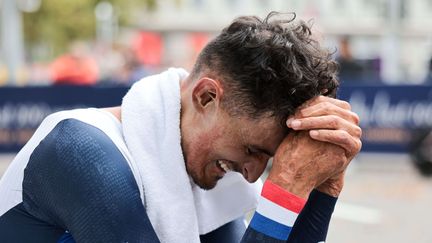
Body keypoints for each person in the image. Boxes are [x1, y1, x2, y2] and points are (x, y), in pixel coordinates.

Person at [0, 12, 361, 243]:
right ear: (206, 97)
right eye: (253, 151)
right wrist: (286, 189)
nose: (252, 176)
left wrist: (320, 190)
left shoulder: (195, 164)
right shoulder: (80, 150)